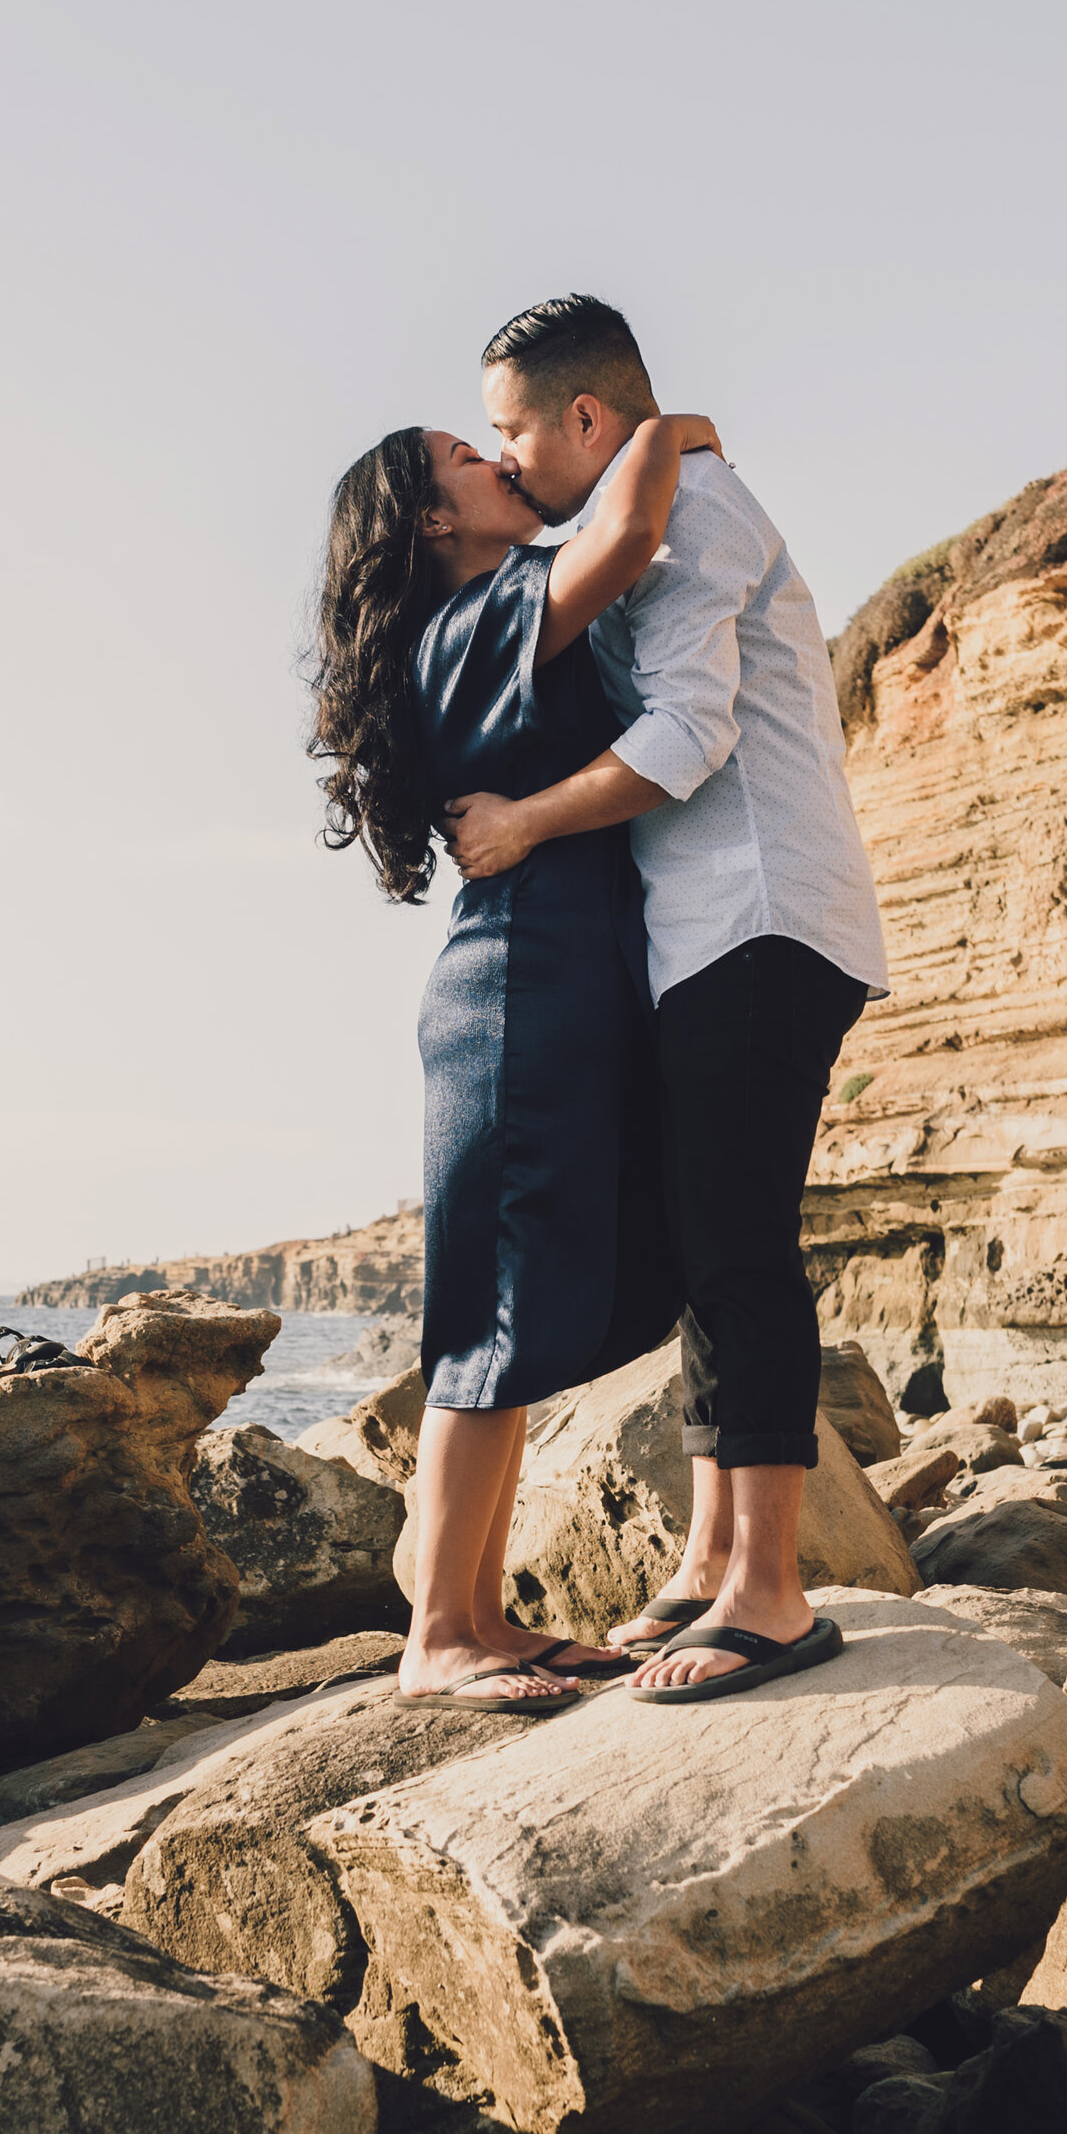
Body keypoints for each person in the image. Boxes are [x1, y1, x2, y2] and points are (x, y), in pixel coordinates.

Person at [451, 293, 888, 1708]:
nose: (504, 460)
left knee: (740, 1244)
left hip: (759, 920)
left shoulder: (694, 514)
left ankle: (770, 1587)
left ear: (587, 419)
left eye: (516, 430)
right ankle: (711, 1560)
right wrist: (679, 430)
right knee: (710, 1245)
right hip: (717, 932)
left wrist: (521, 825)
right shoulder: (664, 490)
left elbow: (692, 736)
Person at [311, 409, 716, 1701]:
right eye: (468, 459)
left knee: (516, 1307)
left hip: (550, 988)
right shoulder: (479, 617)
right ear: (434, 520)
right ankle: (442, 1633)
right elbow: (635, 527)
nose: (499, 462)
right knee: (487, 1320)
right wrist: (665, 426)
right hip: (515, 993)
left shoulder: (492, 620)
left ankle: (479, 1615)